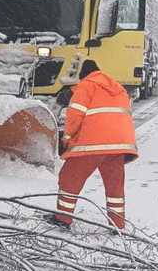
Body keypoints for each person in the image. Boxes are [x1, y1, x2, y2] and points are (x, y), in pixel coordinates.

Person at [52, 60, 137, 229]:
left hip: (93, 144)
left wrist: (66, 138)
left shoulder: (86, 86)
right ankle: (117, 225)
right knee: (115, 187)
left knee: (69, 179)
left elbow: (75, 116)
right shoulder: (117, 88)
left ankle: (63, 219)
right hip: (119, 144)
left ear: (82, 75)